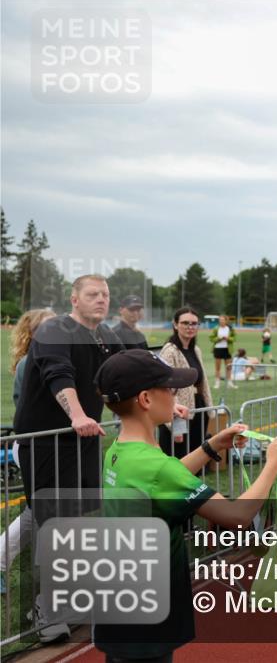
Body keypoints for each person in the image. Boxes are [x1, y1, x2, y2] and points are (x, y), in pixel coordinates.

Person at [92, 349, 277, 662]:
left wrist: (212, 446)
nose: (175, 395)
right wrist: (273, 465)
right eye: (169, 389)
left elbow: (165, 480)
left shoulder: (120, 450)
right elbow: (237, 516)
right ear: (146, 399)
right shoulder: (157, 467)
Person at [12, 275, 134, 642]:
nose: (101, 299)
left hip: (83, 441)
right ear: (74, 299)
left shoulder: (104, 335)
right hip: (48, 444)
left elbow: (127, 368)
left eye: (105, 294)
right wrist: (78, 415)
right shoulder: (55, 330)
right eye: (93, 294)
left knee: (77, 520)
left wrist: (161, 399)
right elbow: (59, 375)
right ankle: (45, 609)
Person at [1, 309, 56, 596]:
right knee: (41, 512)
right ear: (32, 333)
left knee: (40, 513)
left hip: (49, 446)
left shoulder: (51, 359)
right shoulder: (30, 363)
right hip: (35, 446)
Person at [157, 307, 213, 459]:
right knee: (178, 456)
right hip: (179, 411)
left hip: (198, 407)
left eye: (194, 323)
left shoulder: (196, 350)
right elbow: (166, 387)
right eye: (185, 323)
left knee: (196, 454)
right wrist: (175, 423)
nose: (190, 327)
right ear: (175, 325)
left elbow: (202, 381)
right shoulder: (170, 351)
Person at [209, 314, 236, 389]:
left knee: (228, 367)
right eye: (220, 320)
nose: (221, 321)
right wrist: (218, 338)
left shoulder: (230, 329)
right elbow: (211, 338)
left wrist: (228, 338)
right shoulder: (216, 328)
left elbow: (234, 338)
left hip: (227, 349)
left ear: (226, 321)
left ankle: (229, 382)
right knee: (217, 367)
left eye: (223, 320)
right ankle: (217, 383)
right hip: (218, 349)